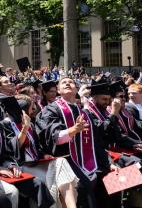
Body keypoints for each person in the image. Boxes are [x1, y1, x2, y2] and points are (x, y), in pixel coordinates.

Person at [35, 77, 117, 208]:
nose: (67, 83)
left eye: (71, 82)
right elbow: (54, 138)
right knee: (84, 185)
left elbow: (97, 143)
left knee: (116, 177)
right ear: (58, 90)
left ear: (77, 89)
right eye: (63, 82)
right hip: (65, 161)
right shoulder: (51, 110)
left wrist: (109, 163)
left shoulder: (85, 113)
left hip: (90, 162)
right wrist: (73, 130)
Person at [0, 94, 78, 208]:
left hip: (36, 162)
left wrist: (44, 154)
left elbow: (36, 147)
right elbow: (12, 148)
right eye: (31, 108)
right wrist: (24, 129)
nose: (33, 110)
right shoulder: (6, 124)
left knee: (61, 162)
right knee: (54, 177)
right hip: (21, 166)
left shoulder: (30, 123)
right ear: (23, 109)